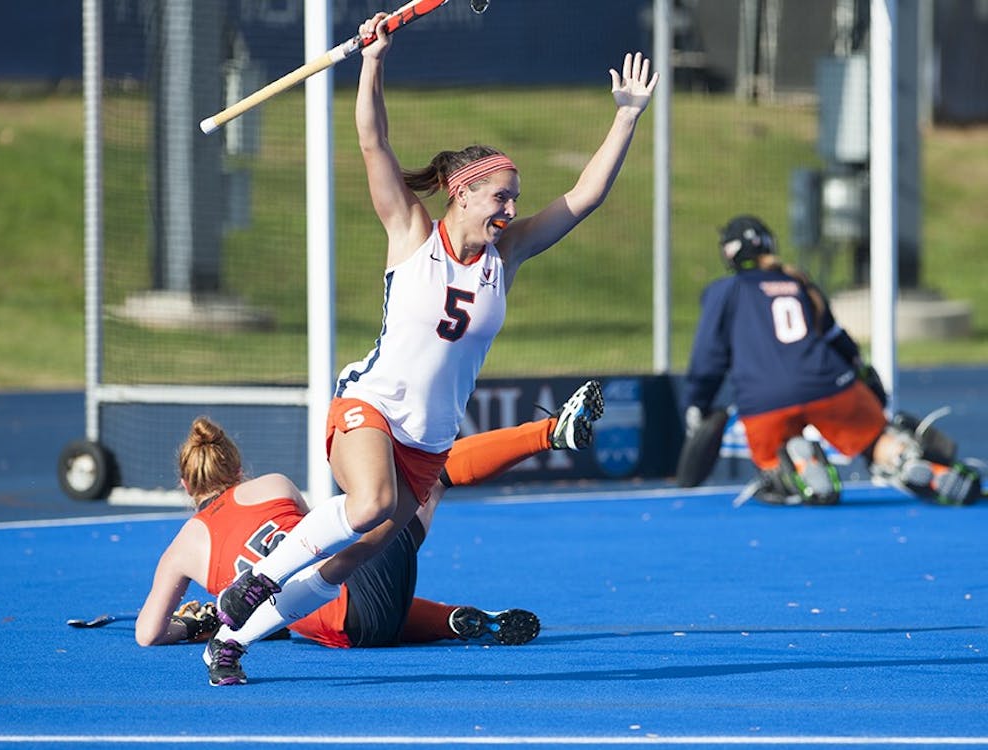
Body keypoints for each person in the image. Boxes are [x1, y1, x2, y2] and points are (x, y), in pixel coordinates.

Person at [204, 10, 657, 685]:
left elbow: (585, 197)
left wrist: (625, 116)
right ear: (462, 193)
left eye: (516, 198)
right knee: (368, 506)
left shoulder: (509, 255)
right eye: (500, 196)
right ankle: (255, 581)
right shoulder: (413, 233)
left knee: (354, 559)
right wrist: (374, 61)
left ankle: (232, 640)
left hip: (428, 441)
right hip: (369, 405)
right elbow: (372, 141)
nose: (511, 207)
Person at [136, 380, 604, 685]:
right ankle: (548, 433)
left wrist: (193, 624)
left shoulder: (180, 550)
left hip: (349, 631)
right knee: (429, 475)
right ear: (237, 468)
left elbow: (147, 634)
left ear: (184, 485)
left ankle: (448, 621)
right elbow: (320, 540)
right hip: (355, 592)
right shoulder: (271, 485)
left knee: (345, 576)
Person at [682, 214, 983, 508]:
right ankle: (903, 458)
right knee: (876, 440)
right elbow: (838, 340)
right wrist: (862, 376)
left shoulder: (724, 291)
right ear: (769, 244)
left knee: (773, 472)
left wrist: (698, 403)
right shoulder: (799, 283)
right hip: (828, 382)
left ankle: (798, 466)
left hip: (762, 399)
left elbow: (708, 357)